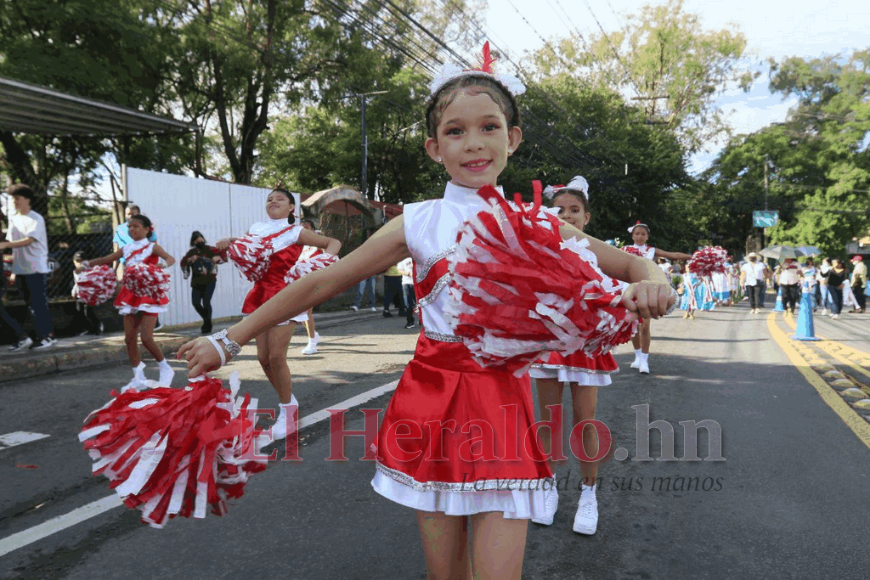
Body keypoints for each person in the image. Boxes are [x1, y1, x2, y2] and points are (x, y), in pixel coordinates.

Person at [179, 52, 674, 578]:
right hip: (429, 405)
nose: (475, 142)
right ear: (435, 148)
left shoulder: (540, 225)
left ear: (514, 138)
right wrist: (228, 341)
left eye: (490, 127)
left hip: (502, 407)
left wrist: (654, 283)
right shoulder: (417, 222)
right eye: (455, 131)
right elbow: (321, 281)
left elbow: (633, 262)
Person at [215, 189, 340, 440]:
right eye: (270, 198)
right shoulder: (257, 228)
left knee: (276, 356)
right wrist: (229, 242)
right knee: (262, 358)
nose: (273, 201)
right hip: (260, 295)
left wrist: (314, 267)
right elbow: (246, 246)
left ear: (292, 208)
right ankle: (289, 402)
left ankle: (287, 412)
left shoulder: (296, 232)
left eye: (280, 199)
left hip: (285, 294)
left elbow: (333, 243)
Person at [528, 176, 613, 535]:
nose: (566, 215)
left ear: (587, 217)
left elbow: (616, 290)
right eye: (559, 209)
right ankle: (546, 487)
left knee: (584, 420)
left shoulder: (601, 252)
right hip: (548, 346)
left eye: (574, 210)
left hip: (585, 347)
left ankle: (589, 494)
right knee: (547, 420)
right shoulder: (537, 248)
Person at [78, 214, 175, 389]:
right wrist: (86, 264)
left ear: (147, 229)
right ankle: (138, 377)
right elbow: (107, 259)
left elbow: (170, 259)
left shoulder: (152, 247)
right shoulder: (126, 248)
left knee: (146, 338)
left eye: (136, 226)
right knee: (129, 338)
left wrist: (160, 267)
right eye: (129, 227)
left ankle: (165, 368)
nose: (132, 229)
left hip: (148, 294)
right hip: (130, 295)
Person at [625, 222, 692, 374]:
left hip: (648, 290)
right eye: (637, 234)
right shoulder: (624, 250)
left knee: (645, 326)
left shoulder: (652, 250)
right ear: (632, 235)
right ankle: (637, 356)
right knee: (633, 326)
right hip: (630, 289)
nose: (640, 237)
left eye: (643, 234)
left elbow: (673, 255)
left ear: (648, 236)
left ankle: (644, 359)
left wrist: (692, 257)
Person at [0, 184, 55, 350]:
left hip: (36, 268)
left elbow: (28, 240)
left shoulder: (36, 218)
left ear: (27, 200)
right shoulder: (14, 219)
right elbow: (12, 244)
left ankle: (47, 337)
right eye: (12, 199)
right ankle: (38, 336)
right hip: (20, 269)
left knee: (39, 304)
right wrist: (13, 268)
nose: (14, 202)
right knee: (30, 305)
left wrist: (4, 245)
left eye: (17, 198)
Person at [114, 204, 162, 330]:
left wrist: (152, 266)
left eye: (134, 214)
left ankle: (154, 322)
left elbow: (153, 245)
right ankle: (134, 323)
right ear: (125, 215)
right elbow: (116, 248)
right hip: (127, 265)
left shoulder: (145, 228)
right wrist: (115, 268)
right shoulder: (120, 229)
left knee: (146, 291)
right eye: (129, 214)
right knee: (128, 293)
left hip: (143, 265)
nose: (131, 216)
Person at [180, 231, 222, 334]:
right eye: (196, 239)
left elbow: (222, 256)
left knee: (206, 302)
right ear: (193, 242)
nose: (199, 241)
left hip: (209, 281)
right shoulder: (192, 252)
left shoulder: (210, 249)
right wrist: (190, 259)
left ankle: (207, 325)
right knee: (196, 303)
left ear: (203, 239)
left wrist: (217, 258)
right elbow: (183, 262)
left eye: (200, 238)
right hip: (196, 282)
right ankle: (207, 321)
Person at [298, 219, 323, 355]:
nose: (304, 230)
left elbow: (331, 255)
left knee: (306, 312)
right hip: (300, 282)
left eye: (306, 227)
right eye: (301, 228)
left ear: (313, 229)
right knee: (298, 312)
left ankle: (312, 342)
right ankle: (313, 334)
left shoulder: (319, 243)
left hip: (315, 282)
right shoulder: (301, 246)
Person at [71, 251, 103, 336]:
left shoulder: (89, 270)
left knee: (87, 311)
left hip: (89, 294)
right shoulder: (76, 271)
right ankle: (87, 328)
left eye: (81, 261)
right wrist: (74, 292)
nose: (79, 264)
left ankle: (97, 325)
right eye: (77, 261)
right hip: (80, 294)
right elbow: (77, 282)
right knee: (79, 311)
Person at [397, 255, 416, 329]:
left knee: (420, 303)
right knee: (408, 303)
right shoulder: (402, 258)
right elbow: (399, 270)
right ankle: (410, 321)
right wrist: (408, 274)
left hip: (417, 282)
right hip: (406, 282)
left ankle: (423, 320)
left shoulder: (417, 256)